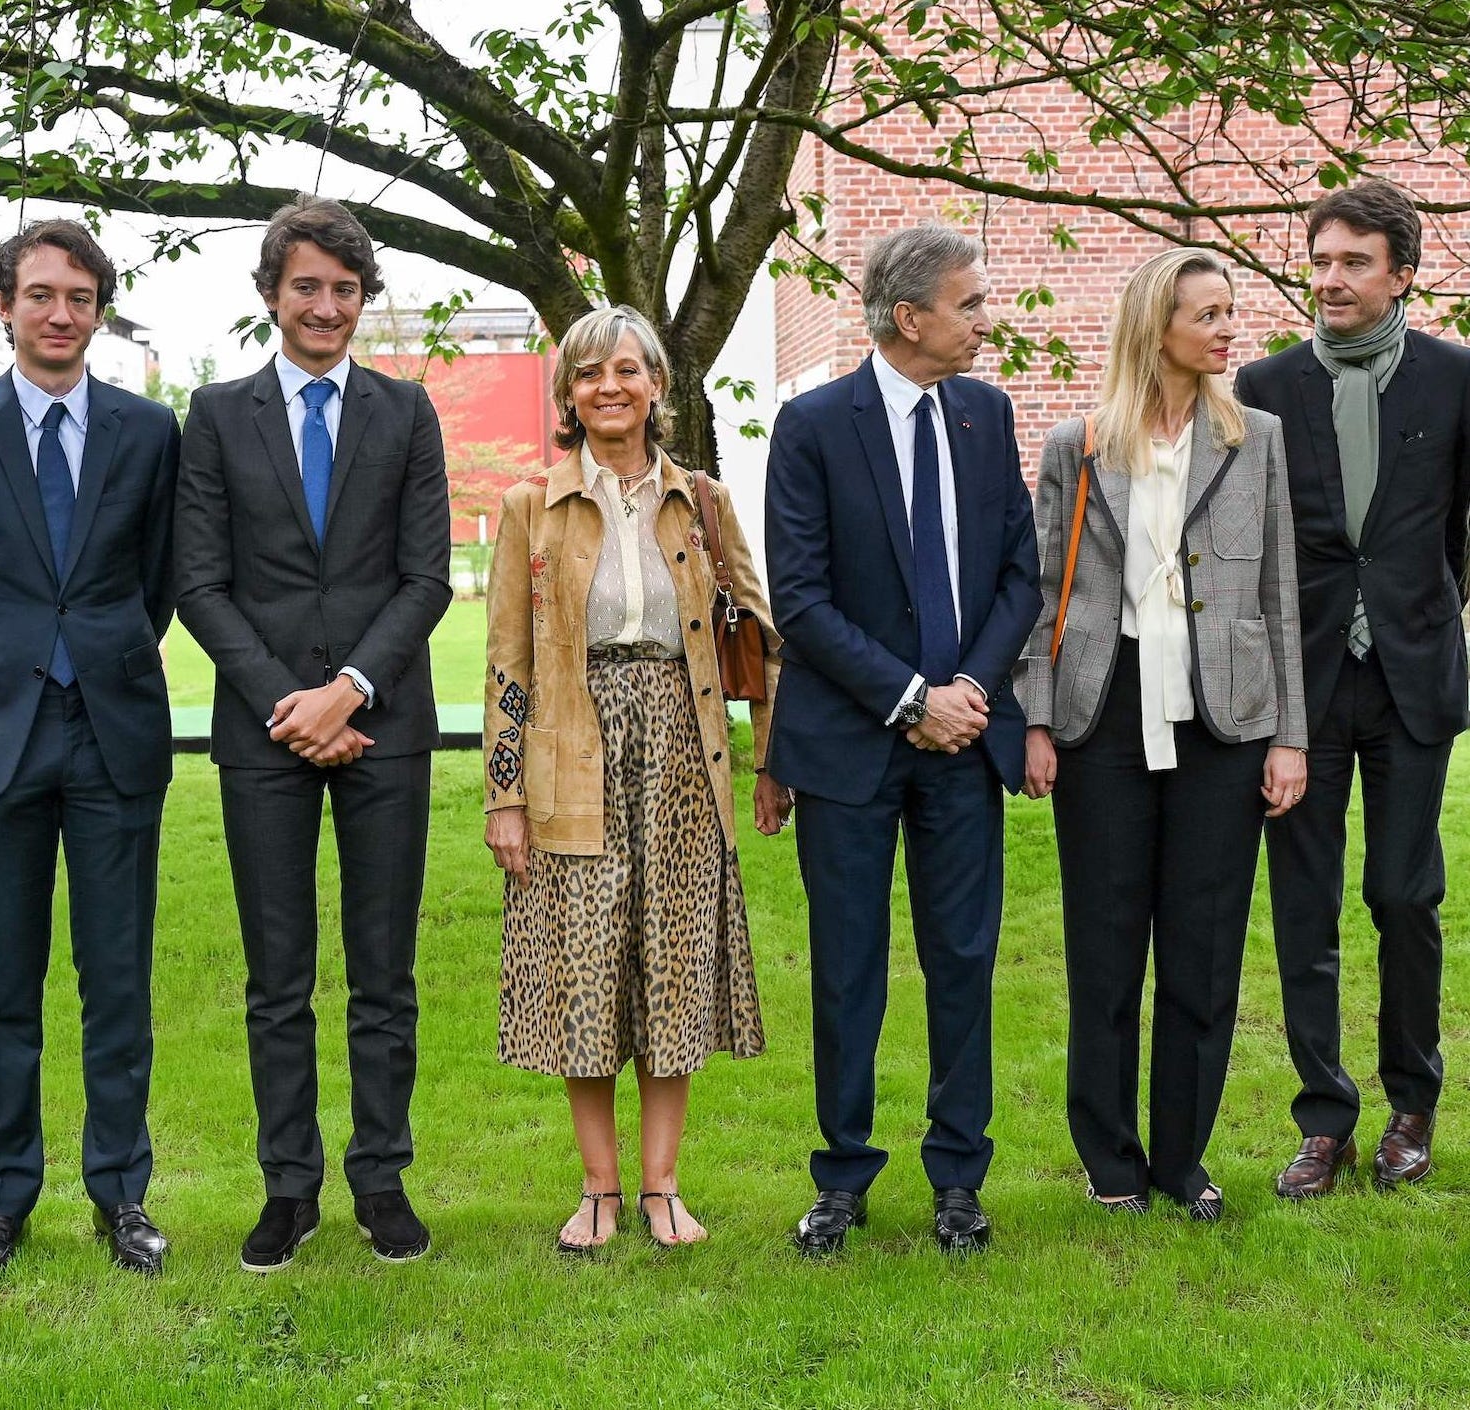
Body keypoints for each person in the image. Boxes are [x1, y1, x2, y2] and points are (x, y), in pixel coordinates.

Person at [0, 220, 181, 1283]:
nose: (60, 314)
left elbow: (158, 583)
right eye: (40, 295)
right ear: (4, 306)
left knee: (117, 980)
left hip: (112, 728)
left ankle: (121, 1197)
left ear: (98, 311)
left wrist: (93, 655)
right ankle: (3, 1205)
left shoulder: (151, 431)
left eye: (80, 297)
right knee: (2, 985)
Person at [175, 196, 452, 1271]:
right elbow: (197, 582)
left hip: (384, 727)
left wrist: (347, 690)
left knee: (383, 973)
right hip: (262, 736)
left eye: (343, 289)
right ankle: (287, 1187)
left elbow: (425, 577)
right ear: (270, 295)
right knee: (276, 977)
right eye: (305, 287)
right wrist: (287, 704)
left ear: (361, 299)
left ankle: (380, 1178)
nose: (325, 305)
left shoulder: (407, 411)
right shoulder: (214, 413)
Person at [481, 305, 791, 1250]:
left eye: (626, 369)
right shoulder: (532, 503)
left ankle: (662, 1188)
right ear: (568, 394)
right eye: (588, 374)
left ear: (657, 384)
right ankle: (599, 1189)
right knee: (584, 969)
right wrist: (505, 796)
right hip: (569, 753)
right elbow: (506, 663)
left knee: (672, 962)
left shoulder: (700, 499)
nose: (608, 387)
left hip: (683, 758)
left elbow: (761, 641)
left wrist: (771, 763)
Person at [764, 224, 1039, 1256]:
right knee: (845, 968)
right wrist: (908, 697)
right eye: (969, 304)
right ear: (908, 315)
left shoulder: (984, 413)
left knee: (961, 959)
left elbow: (1016, 570)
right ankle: (840, 1178)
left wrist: (966, 689)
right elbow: (798, 598)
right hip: (847, 747)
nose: (983, 320)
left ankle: (957, 1178)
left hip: (963, 741)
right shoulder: (810, 426)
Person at [1018, 249, 1307, 1221]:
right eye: (1209, 314)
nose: (1229, 329)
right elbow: (1039, 590)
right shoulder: (1076, 444)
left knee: (1203, 948)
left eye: (1229, 311)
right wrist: (1035, 717)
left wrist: (1287, 736)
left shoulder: (1253, 439)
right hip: (1101, 710)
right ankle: (1109, 1164)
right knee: (1103, 949)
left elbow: (1277, 595)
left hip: (1224, 721)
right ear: (1157, 327)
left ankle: (1181, 1162)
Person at [1235, 179, 1470, 1198]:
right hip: (1306, 687)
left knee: (1399, 892)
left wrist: (1434, 622)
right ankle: (1322, 1117)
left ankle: (1410, 1104)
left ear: (1400, 274)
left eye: (1351, 263)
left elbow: (1456, 536)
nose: (1327, 279)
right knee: (1303, 905)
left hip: (1413, 680)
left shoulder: (1455, 380)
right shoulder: (1261, 386)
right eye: (1318, 260)